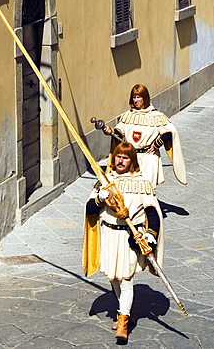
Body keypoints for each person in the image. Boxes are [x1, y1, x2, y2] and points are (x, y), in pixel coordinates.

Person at [82, 142, 164, 341]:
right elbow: (89, 210)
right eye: (118, 156)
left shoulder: (142, 182)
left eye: (125, 157)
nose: (120, 160)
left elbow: (152, 211)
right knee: (113, 277)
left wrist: (151, 233)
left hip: (129, 237)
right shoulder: (105, 181)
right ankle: (124, 310)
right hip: (108, 235)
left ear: (132, 161)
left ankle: (123, 322)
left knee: (126, 280)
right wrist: (99, 199)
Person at [103, 84, 187, 189]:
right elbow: (119, 132)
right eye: (134, 97)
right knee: (130, 188)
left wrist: (156, 145)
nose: (136, 100)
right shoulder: (127, 116)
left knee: (147, 189)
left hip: (148, 157)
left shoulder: (156, 116)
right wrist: (110, 131)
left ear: (145, 98)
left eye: (139, 97)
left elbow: (170, 132)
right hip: (130, 157)